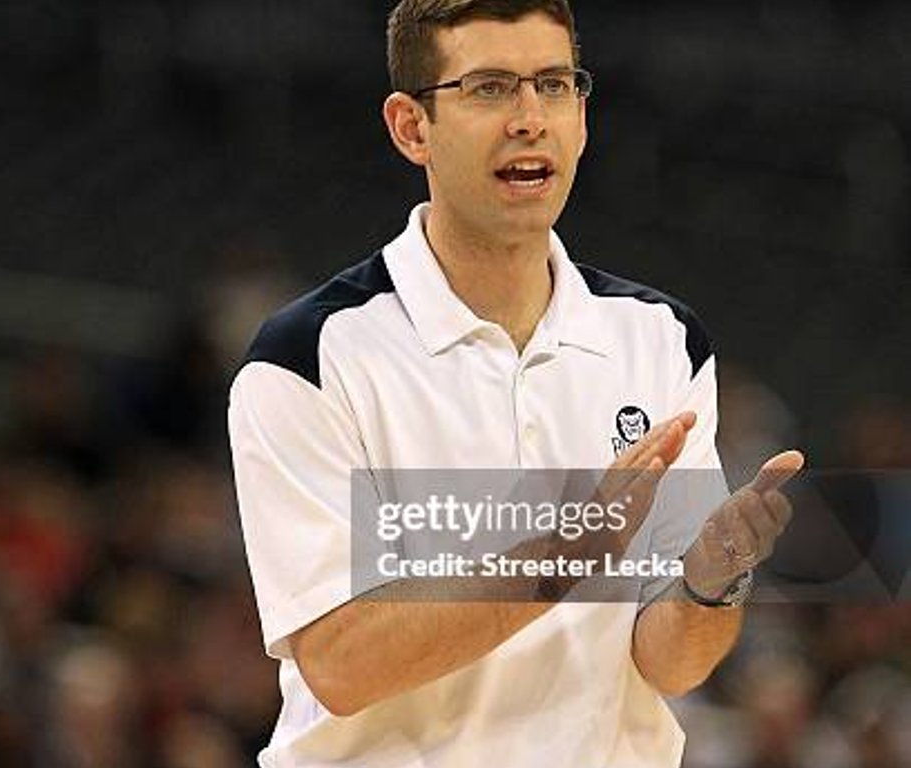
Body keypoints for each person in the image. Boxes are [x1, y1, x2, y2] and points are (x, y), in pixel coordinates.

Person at [226, 1, 805, 766]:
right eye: (490, 88)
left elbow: (670, 664)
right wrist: (571, 549)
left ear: (582, 118)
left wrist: (710, 582)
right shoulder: (310, 356)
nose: (531, 119)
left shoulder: (662, 338)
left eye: (554, 85)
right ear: (411, 127)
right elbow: (341, 663)